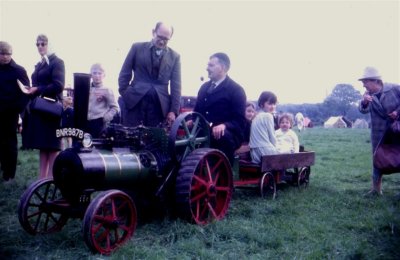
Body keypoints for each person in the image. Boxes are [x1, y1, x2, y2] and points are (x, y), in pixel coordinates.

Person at [118, 22, 181, 127]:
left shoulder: (175, 56)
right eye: (159, 37)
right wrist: (125, 93)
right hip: (134, 103)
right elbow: (125, 73)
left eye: (166, 39)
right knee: (129, 137)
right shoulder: (137, 48)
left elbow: (176, 85)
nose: (161, 42)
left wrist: (173, 111)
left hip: (159, 107)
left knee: (154, 140)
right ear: (153, 32)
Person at [22, 34, 65, 179]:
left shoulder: (57, 62)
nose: (40, 47)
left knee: (52, 146)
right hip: (41, 109)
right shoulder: (41, 63)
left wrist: (37, 89)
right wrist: (30, 89)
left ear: (50, 45)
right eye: (37, 44)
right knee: (43, 145)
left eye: (43, 44)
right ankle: (42, 179)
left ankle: (52, 179)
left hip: (51, 109)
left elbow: (59, 85)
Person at [194, 52, 247, 164]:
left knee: (221, 136)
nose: (207, 68)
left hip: (229, 135)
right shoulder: (204, 87)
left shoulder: (236, 90)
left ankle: (220, 173)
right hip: (204, 131)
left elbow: (240, 121)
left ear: (222, 68)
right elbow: (197, 112)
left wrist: (224, 125)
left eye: (211, 65)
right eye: (208, 65)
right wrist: (191, 121)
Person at [358, 66, 400, 196]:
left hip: (397, 130)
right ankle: (376, 190)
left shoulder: (394, 88)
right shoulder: (368, 95)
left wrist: (397, 113)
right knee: (378, 159)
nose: (364, 85)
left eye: (365, 82)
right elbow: (362, 110)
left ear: (375, 80)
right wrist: (364, 102)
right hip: (379, 133)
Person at [0, 41, 30, 182]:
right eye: (2, 54)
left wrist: (17, 109)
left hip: (10, 113)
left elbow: (26, 92)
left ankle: (9, 174)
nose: (5, 57)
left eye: (8, 54)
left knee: (9, 143)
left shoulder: (19, 70)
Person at [87, 63, 119, 138]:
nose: (97, 76)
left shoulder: (107, 90)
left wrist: (106, 118)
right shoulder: (86, 88)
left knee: (96, 147)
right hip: (85, 123)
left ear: (104, 75)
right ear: (90, 75)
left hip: (98, 123)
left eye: (99, 73)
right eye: (94, 73)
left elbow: (115, 107)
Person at [249, 91, 279, 164]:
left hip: (254, 152)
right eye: (270, 104)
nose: (273, 107)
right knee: (284, 156)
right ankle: (281, 175)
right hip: (264, 151)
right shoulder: (268, 116)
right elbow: (272, 137)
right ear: (262, 104)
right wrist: (276, 148)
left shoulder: (256, 116)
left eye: (274, 104)